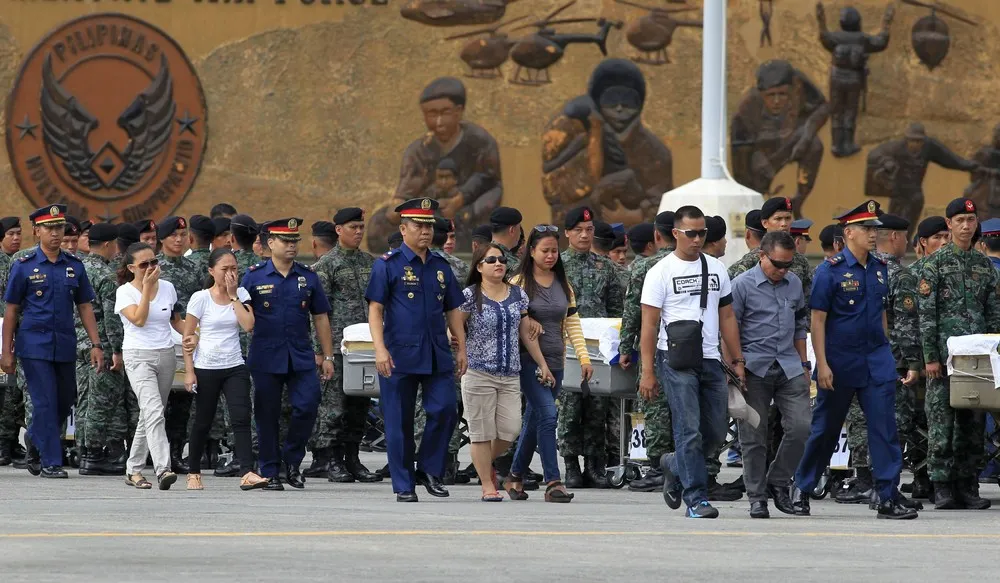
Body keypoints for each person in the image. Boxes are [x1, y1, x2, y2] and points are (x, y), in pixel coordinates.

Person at [791, 200, 917, 520]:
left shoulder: (879, 269)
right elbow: (817, 321)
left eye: (876, 229)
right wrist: (822, 364)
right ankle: (802, 487)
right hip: (839, 359)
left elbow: (882, 315)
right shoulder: (829, 271)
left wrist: (887, 351)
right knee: (826, 429)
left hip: (876, 359)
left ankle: (887, 495)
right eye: (866, 229)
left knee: (885, 429)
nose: (874, 234)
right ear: (848, 232)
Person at [639, 205, 745, 518]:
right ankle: (696, 499)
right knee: (689, 431)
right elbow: (649, 323)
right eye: (691, 233)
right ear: (675, 234)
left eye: (702, 233)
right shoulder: (660, 272)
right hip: (675, 360)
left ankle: (674, 462)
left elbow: (726, 315)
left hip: (711, 359)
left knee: (713, 432)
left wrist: (737, 360)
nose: (698, 239)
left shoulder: (716, 269)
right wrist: (648, 371)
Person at [365, 198, 468, 503]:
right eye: (419, 226)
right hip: (398, 353)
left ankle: (428, 468)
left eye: (429, 226)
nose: (425, 232)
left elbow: (453, 309)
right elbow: (375, 310)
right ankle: (403, 484)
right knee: (398, 422)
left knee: (446, 410)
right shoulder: (387, 265)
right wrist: (380, 350)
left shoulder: (440, 266)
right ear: (404, 228)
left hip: (436, 352)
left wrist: (461, 347)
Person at [1, 205, 104, 479]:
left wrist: (96, 344)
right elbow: (11, 310)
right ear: (37, 231)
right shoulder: (24, 266)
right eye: (49, 228)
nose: (56, 233)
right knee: (44, 402)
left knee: (64, 400)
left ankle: (35, 439)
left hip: (65, 344)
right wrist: (6, 352)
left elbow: (84, 306)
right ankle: (51, 461)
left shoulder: (74, 265)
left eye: (59, 227)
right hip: (34, 345)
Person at [241, 218, 336, 491]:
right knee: (266, 414)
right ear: (271, 243)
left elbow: (320, 317)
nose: (292, 246)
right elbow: (240, 313)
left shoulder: (308, 276)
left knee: (308, 405)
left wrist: (327, 356)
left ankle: (292, 461)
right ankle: (270, 470)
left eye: (295, 241)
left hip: (301, 355)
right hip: (266, 355)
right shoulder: (254, 276)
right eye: (285, 241)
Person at [917, 198, 1000, 510]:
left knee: (973, 420)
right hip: (944, 357)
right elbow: (926, 315)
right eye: (960, 220)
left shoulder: (984, 267)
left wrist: (994, 354)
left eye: (971, 219)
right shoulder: (934, 265)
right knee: (941, 420)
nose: (967, 226)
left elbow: (993, 314)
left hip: (976, 359)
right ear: (948, 224)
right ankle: (942, 485)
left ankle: (968, 483)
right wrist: (930, 358)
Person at [368, 77, 502, 251]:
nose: (438, 122)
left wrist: (458, 201)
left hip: (469, 208)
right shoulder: (418, 150)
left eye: (445, 113)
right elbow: (408, 187)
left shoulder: (480, 142)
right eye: (432, 114)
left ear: (459, 111)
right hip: (429, 210)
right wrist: (397, 204)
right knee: (377, 225)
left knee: (488, 210)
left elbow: (489, 178)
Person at [506, 226, 591, 503]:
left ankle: (515, 476)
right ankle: (553, 481)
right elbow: (512, 322)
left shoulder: (563, 284)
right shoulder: (518, 283)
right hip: (529, 362)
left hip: (556, 361)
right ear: (531, 252)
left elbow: (572, 323)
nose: (551, 256)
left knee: (535, 420)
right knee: (548, 414)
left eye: (555, 250)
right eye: (545, 250)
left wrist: (584, 356)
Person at [458, 243, 549, 501]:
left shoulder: (517, 294)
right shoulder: (469, 295)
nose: (498, 264)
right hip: (478, 371)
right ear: (479, 266)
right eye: (491, 260)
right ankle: (488, 485)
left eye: (501, 259)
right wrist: (455, 344)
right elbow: (454, 325)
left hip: (510, 373)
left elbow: (525, 333)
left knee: (510, 430)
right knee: (481, 432)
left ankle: (483, 461)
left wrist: (541, 363)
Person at [731, 232, 811, 518]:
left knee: (802, 427)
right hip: (754, 368)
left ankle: (777, 482)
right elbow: (730, 329)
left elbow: (800, 325)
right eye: (777, 263)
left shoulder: (794, 284)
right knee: (754, 435)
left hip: (789, 365)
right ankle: (756, 497)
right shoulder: (741, 286)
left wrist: (804, 364)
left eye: (788, 265)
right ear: (761, 255)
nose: (782, 270)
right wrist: (736, 365)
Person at [181, 249, 267, 491]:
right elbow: (188, 336)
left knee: (241, 418)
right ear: (211, 271)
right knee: (203, 421)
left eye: (234, 269)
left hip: (234, 365)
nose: (231, 273)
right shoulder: (200, 298)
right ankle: (194, 471)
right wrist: (189, 371)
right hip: (206, 366)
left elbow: (248, 324)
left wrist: (233, 296)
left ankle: (247, 471)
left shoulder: (241, 293)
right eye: (225, 269)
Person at [309, 208, 380, 484]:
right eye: (353, 227)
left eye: (362, 226)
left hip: (366, 345)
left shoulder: (370, 262)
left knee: (359, 405)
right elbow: (318, 312)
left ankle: (353, 458)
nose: (359, 232)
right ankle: (332, 459)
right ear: (338, 230)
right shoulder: (327, 265)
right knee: (334, 405)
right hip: (338, 348)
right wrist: (321, 351)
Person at [559, 205, 626, 489]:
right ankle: (571, 465)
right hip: (567, 346)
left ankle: (595, 466)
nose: (584, 235)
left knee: (598, 406)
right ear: (567, 233)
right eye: (578, 231)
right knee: (570, 406)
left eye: (589, 230)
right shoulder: (557, 265)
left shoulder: (606, 267)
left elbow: (615, 309)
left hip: (598, 348)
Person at [114, 242, 183, 490]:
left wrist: (195, 334)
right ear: (132, 268)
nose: (152, 267)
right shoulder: (125, 292)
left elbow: (176, 321)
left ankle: (133, 470)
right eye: (144, 265)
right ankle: (163, 469)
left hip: (165, 354)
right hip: (138, 355)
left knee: (150, 414)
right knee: (153, 410)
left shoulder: (168, 288)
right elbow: (140, 320)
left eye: (154, 262)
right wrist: (146, 288)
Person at [892, 216, 950, 500]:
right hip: (916, 361)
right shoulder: (912, 276)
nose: (943, 242)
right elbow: (908, 324)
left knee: (937, 422)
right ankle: (920, 476)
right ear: (923, 243)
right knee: (916, 421)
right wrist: (916, 361)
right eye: (937, 237)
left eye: (945, 236)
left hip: (945, 359)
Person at [620, 212, 676, 494]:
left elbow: (632, 312)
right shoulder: (694, 264)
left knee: (654, 408)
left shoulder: (646, 267)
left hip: (651, 348)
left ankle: (657, 469)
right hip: (686, 349)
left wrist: (624, 348)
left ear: (657, 235)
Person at [731, 60, 829, 216]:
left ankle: (797, 201)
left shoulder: (800, 85)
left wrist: (807, 134)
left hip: (792, 139)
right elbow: (740, 160)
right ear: (761, 94)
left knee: (814, 145)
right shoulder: (747, 110)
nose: (776, 101)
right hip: (762, 152)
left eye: (782, 94)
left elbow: (823, 107)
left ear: (792, 90)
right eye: (771, 95)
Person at [865, 123, 978, 240]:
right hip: (898, 191)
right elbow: (874, 154)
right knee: (894, 219)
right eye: (912, 141)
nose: (915, 144)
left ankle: (906, 241)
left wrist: (968, 166)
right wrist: (886, 161)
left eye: (919, 141)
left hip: (915, 190)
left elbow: (948, 158)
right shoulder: (897, 147)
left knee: (913, 213)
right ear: (907, 139)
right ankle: (891, 241)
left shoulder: (929, 147)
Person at [77, 223, 128, 476]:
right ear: (108, 244)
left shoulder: (76, 267)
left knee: (84, 400)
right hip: (100, 346)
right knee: (101, 402)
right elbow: (111, 318)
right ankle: (93, 455)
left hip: (76, 342)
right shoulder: (106, 276)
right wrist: (116, 350)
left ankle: (83, 451)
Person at [816, 3, 894, 157]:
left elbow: (824, 37)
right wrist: (886, 23)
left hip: (836, 78)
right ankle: (848, 143)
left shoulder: (836, 37)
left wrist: (821, 21)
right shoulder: (862, 39)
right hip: (854, 79)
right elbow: (881, 42)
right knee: (850, 111)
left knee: (837, 111)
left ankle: (836, 145)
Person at [155, 216, 201, 474]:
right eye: (173, 234)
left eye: (183, 234)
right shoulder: (154, 266)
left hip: (185, 338)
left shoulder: (193, 268)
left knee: (183, 402)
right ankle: (154, 453)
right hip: (159, 338)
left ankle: (175, 453)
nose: (179, 239)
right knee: (158, 401)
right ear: (162, 238)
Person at [490, 207, 523, 273]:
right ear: (512, 230)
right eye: (519, 229)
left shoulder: (480, 255)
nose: (520, 233)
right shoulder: (515, 265)